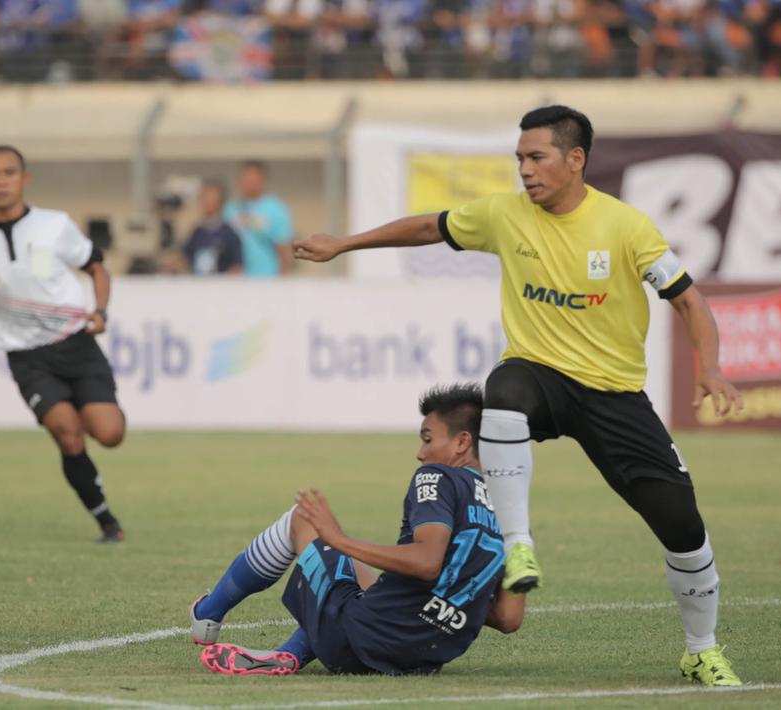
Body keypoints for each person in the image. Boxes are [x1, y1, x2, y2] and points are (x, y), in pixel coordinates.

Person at [293, 105, 745, 686]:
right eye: (519, 159)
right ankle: (519, 544)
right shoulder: (504, 216)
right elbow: (427, 226)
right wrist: (346, 245)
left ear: (575, 159)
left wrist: (710, 366)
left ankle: (701, 649)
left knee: (684, 528)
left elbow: (689, 300)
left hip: (614, 396)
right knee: (502, 390)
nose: (525, 171)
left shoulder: (626, 228)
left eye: (536, 158)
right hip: (539, 377)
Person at [189, 383, 525, 676]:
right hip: (420, 659)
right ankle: (289, 653)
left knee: (303, 519)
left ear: (462, 442)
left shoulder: (436, 477)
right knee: (365, 579)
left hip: (359, 640)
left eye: (428, 439)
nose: (420, 453)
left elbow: (426, 561)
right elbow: (509, 618)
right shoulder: (511, 510)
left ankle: (208, 614)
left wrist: (339, 540)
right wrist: (450, 606)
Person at [0, 145, 127, 543]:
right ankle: (107, 523)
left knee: (111, 433)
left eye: (9, 172)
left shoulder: (54, 225)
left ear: (24, 179)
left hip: (76, 346)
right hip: (28, 359)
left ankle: (79, 416)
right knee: (66, 433)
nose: (1, 181)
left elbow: (97, 267)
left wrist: (101, 310)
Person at [222, 161, 294, 277]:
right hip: (235, 281)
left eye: (253, 179)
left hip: (266, 279)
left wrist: (281, 282)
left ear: (262, 180)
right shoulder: (230, 209)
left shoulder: (276, 209)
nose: (249, 183)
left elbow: (284, 249)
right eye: (245, 179)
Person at [181, 179, 244, 275]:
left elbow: (236, 267)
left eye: (211, 197)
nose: (206, 201)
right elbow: (185, 258)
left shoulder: (229, 234)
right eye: (203, 197)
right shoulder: (197, 232)